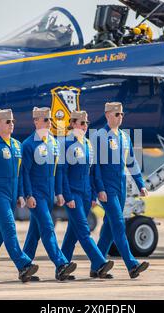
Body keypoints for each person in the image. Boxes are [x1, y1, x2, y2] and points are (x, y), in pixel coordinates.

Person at [0, 109, 39, 283]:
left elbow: (18, 173)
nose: (12, 125)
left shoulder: (17, 145)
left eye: (12, 121)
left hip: (11, 195)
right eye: (7, 122)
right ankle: (24, 264)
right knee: (10, 228)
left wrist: (20, 195)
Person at [93, 102, 150, 279]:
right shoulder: (100, 136)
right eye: (117, 114)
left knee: (110, 228)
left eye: (122, 114)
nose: (121, 117)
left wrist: (140, 184)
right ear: (108, 115)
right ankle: (132, 264)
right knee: (118, 223)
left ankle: (97, 265)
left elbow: (132, 162)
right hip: (107, 187)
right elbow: (95, 167)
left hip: (121, 185)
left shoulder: (125, 137)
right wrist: (100, 189)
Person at [22, 107, 77, 281]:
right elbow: (24, 173)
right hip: (36, 194)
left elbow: (58, 170)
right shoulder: (28, 145)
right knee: (47, 227)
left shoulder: (53, 142)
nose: (48, 123)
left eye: (49, 120)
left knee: (34, 234)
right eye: (45, 120)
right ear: (35, 121)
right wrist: (28, 194)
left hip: (48, 194)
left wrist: (59, 193)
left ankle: (24, 267)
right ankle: (61, 264)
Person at [60, 111, 114, 279]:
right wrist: (67, 197)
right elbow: (61, 173)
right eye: (82, 123)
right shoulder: (66, 143)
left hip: (85, 194)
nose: (85, 126)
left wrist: (93, 195)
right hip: (73, 193)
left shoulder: (88, 144)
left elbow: (92, 172)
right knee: (84, 231)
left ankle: (62, 267)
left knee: (73, 234)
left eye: (86, 123)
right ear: (73, 123)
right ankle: (100, 263)